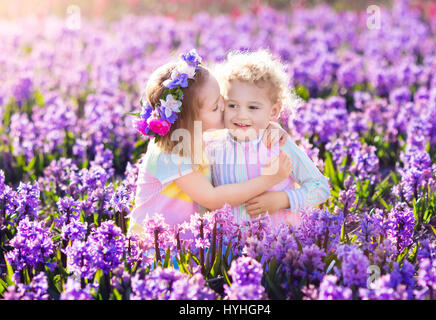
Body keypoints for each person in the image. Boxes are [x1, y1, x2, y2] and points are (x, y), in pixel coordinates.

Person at [127, 49, 292, 240]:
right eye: (215, 107)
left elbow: (241, 129)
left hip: (187, 244)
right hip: (154, 248)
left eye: (221, 97)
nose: (224, 106)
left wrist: (268, 127)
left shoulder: (201, 137)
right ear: (188, 122)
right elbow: (213, 199)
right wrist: (268, 180)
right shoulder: (170, 153)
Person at [208, 49, 331, 227]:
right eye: (232, 105)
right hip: (230, 248)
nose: (241, 115)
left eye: (253, 107)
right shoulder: (213, 146)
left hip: (279, 246)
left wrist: (282, 200)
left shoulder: (277, 144)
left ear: (273, 111)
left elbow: (319, 186)